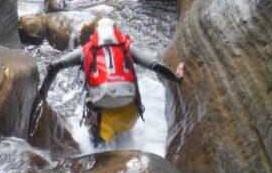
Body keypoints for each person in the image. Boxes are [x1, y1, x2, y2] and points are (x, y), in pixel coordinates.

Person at [38, 18, 185, 146]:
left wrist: (43, 93)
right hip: (130, 113)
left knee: (97, 148)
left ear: (95, 34)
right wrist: (176, 77)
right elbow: (155, 65)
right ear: (116, 31)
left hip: (101, 119)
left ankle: (100, 151)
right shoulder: (126, 47)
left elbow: (55, 66)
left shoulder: (85, 50)